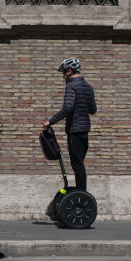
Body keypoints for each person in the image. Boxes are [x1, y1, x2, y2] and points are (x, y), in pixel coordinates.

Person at [42, 58, 97, 192]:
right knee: (79, 164)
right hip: (85, 131)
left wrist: (51, 121)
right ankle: (81, 193)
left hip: (75, 130)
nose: (63, 76)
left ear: (69, 71)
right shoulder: (89, 87)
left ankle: (82, 196)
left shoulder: (71, 86)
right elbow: (93, 110)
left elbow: (67, 108)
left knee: (77, 165)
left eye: (63, 73)